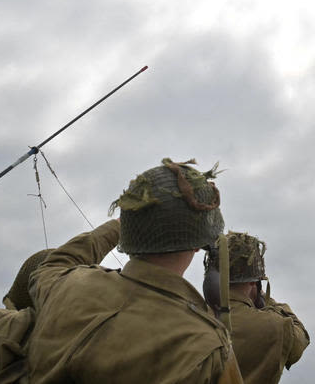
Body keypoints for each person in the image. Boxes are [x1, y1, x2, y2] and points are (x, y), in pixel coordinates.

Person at [26, 158, 243, 383]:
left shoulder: (65, 285)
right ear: (199, 244)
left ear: (129, 232)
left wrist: (118, 226)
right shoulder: (206, 347)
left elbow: (54, 263)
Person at [211, 231, 309, 384]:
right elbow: (301, 339)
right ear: (254, 281)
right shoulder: (274, 326)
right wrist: (267, 300)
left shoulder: (191, 316)